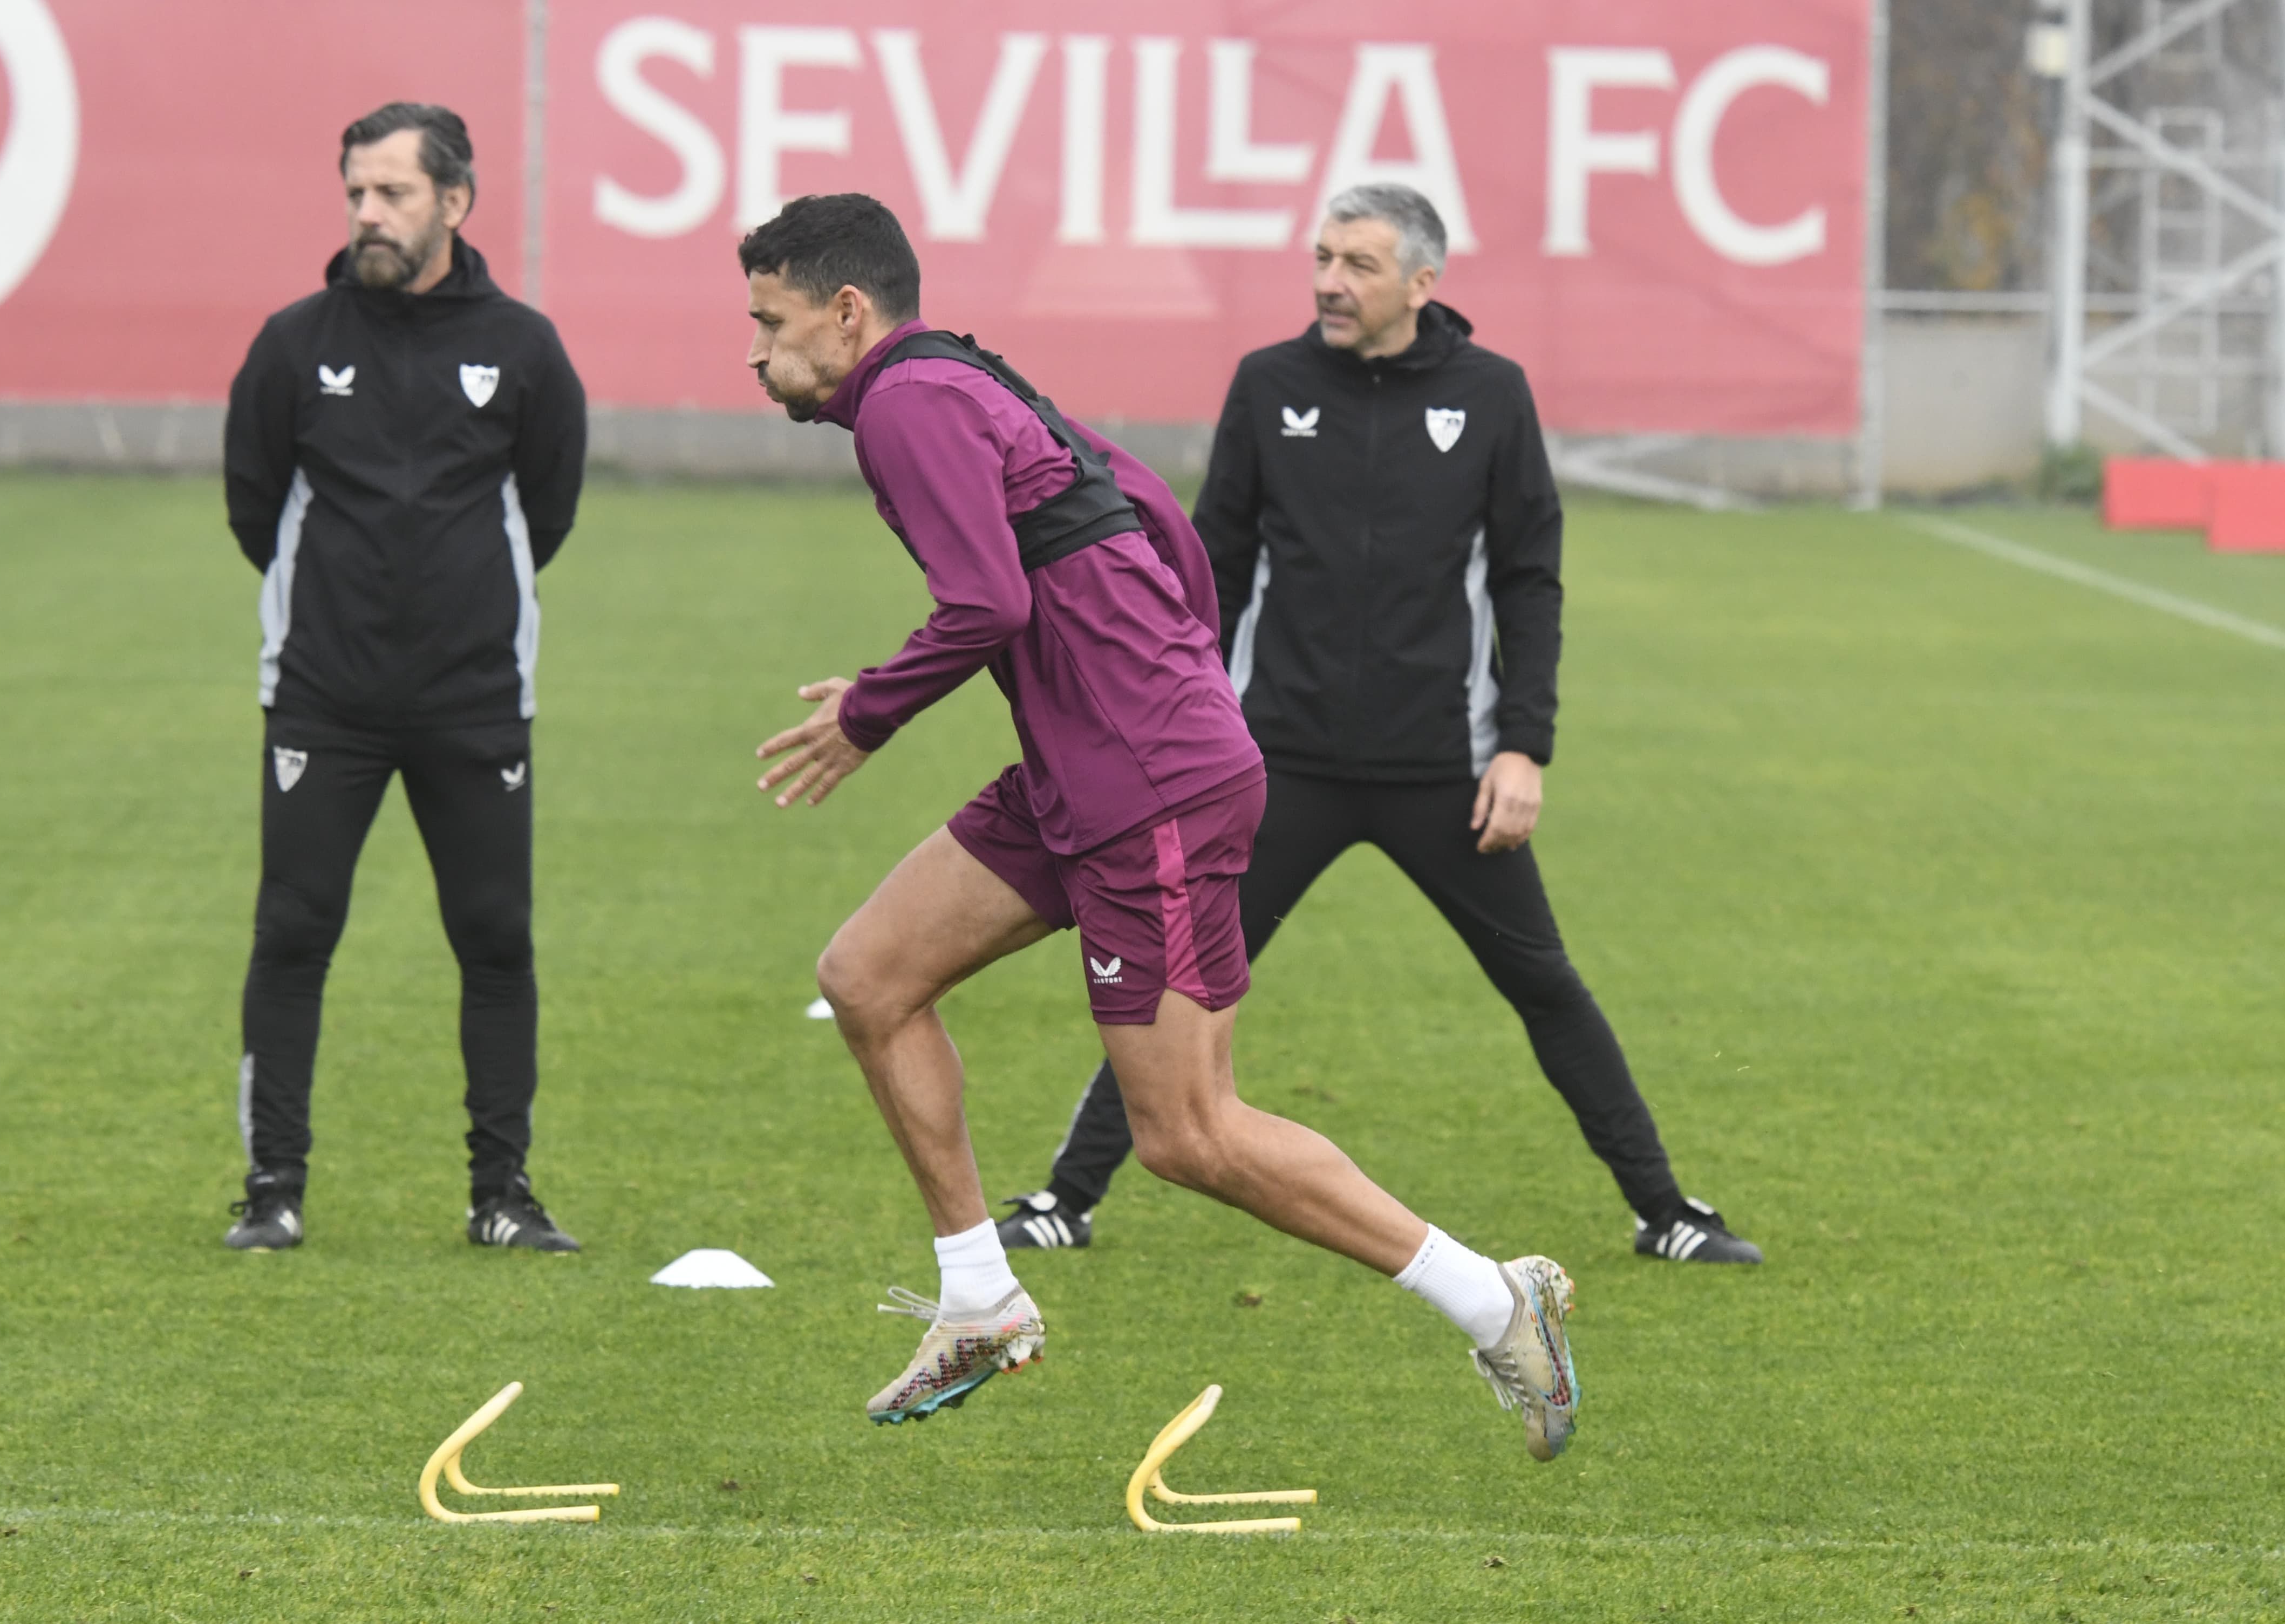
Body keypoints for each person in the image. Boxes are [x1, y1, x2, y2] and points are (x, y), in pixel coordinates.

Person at [742, 192, 1580, 1459]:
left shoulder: (911, 401)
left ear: (846, 313)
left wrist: (868, 714)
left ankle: (1491, 1299)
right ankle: (979, 1296)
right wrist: (1166, 666)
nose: (755, 354)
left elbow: (983, 600)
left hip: (1149, 789)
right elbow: (1155, 520)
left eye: (771, 321)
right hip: (1092, 766)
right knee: (869, 977)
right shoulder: (965, 377)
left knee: (1187, 1134)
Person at [993, 184, 1761, 1268]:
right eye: (1320, 258)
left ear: (1421, 282)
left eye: (1355, 263)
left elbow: (1528, 581)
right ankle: (1065, 1199)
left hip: (1441, 773)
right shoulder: (1269, 384)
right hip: (1272, 769)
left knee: (1540, 980)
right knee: (1180, 983)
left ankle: (1666, 1210)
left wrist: (1523, 746)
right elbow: (1211, 565)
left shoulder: (1491, 396)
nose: (1327, 282)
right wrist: (1170, 723)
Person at [219, 103, 588, 1254]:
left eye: (393, 194)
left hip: (476, 703)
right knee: (293, 932)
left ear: (455, 203)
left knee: (494, 938)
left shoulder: (523, 349)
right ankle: (272, 1189)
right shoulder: (292, 343)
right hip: (323, 701)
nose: (369, 216)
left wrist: (459, 612)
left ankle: (502, 1197)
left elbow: (548, 506)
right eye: (356, 194)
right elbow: (255, 509)